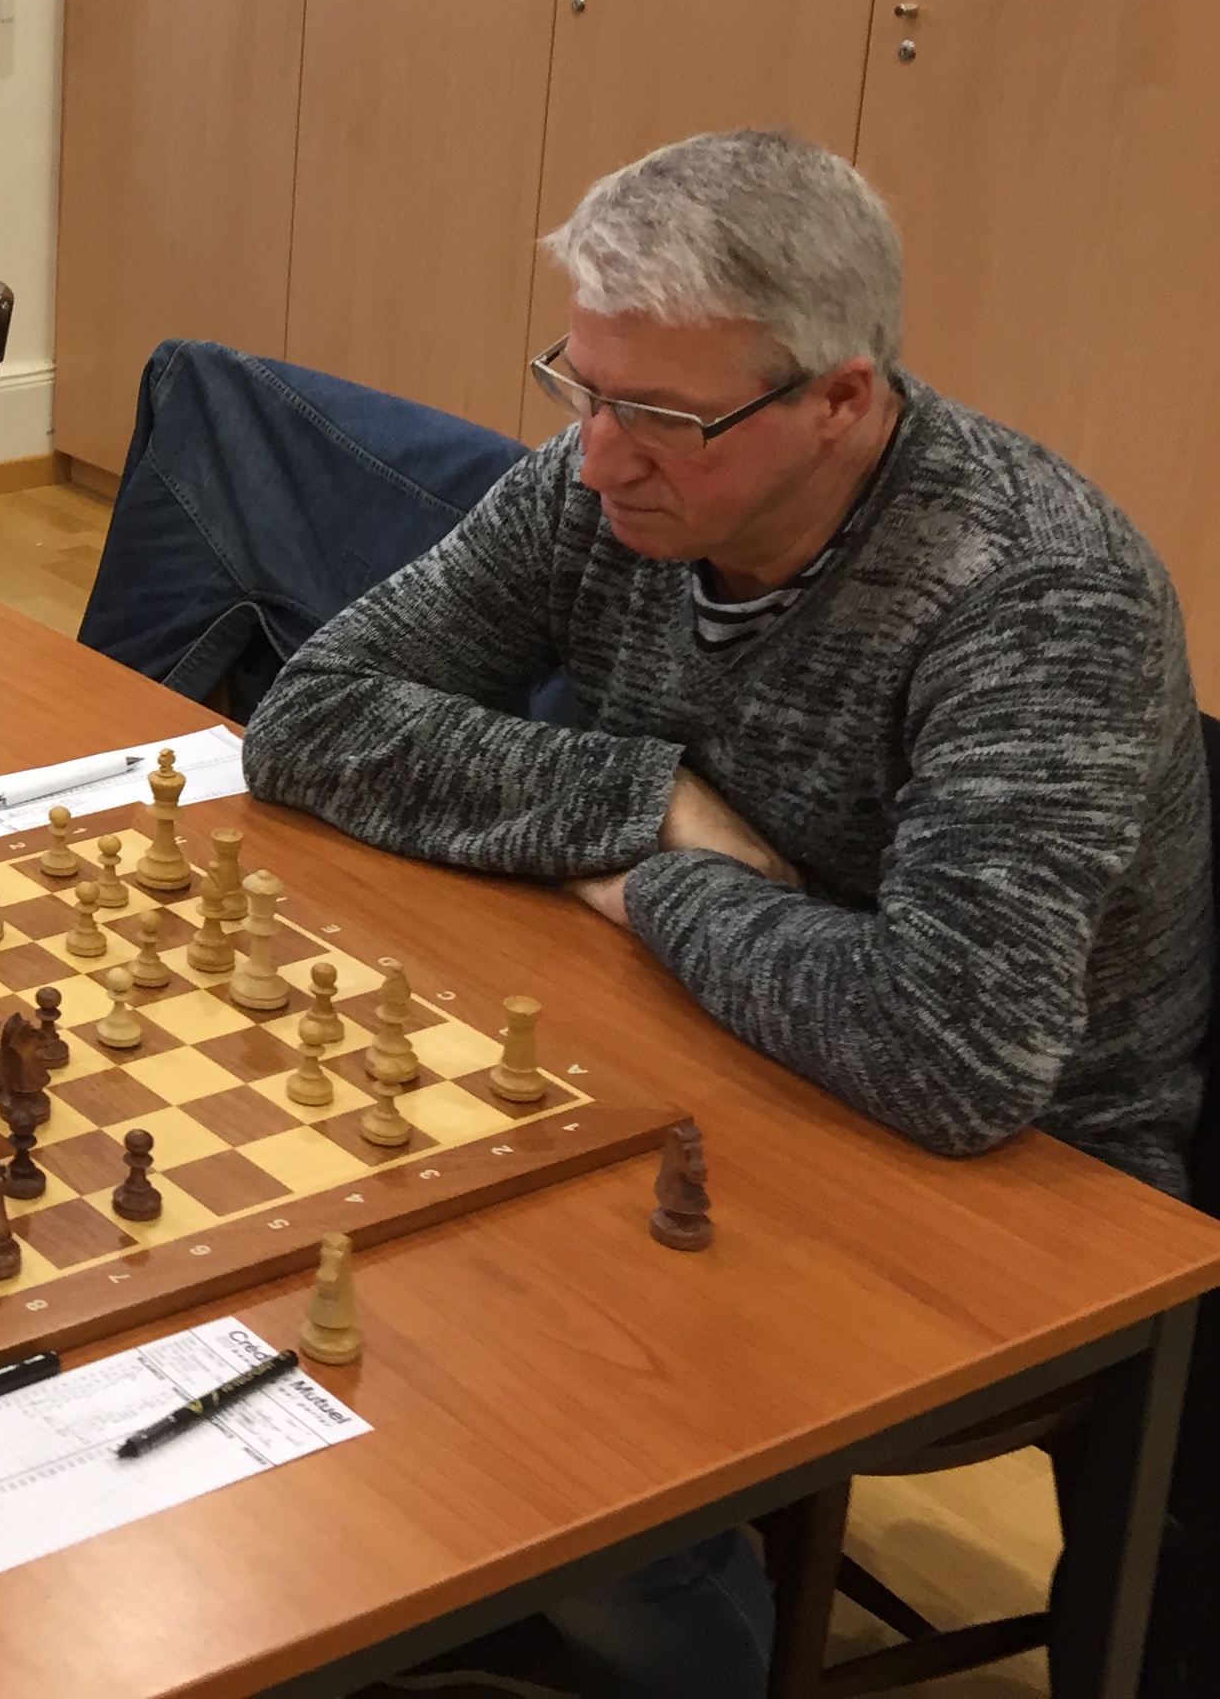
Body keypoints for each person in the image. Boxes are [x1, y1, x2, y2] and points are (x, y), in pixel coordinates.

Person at [241, 127, 1210, 1699]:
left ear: (843, 398)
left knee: (552, 1426)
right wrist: (653, 805)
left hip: (1021, 1182)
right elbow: (313, 718)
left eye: (665, 417)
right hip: (705, 1043)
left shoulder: (1036, 597)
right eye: (582, 385)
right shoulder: (607, 483)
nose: (598, 457)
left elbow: (953, 1052)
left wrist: (645, 882)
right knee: (343, 1249)